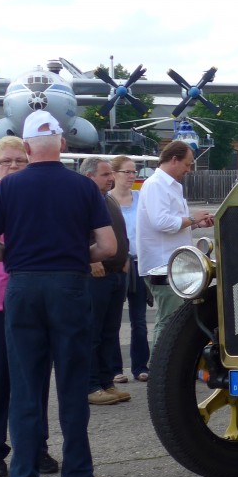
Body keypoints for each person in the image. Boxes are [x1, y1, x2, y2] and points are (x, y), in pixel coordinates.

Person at [0, 111, 116, 477]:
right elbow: (107, 247)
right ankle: (78, 476)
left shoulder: (6, 189)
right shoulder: (83, 188)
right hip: (70, 286)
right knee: (72, 382)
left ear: (25, 147)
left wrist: (21, 259)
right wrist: (74, 255)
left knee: (25, 384)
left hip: (22, 287)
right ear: (62, 145)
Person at [0, 138, 58, 477]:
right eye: (5, 161)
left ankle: (36, 447)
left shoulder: (41, 201)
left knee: (36, 379)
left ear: (30, 163)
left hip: (36, 300)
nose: (12, 167)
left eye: (19, 161)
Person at [136, 141, 213, 347]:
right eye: (187, 165)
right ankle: (158, 371)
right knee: (169, 321)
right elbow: (161, 223)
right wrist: (193, 218)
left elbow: (170, 225)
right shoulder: (155, 185)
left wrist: (194, 224)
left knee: (174, 320)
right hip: (161, 265)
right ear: (174, 160)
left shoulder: (167, 185)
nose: (188, 170)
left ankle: (162, 370)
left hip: (171, 264)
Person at [80, 158, 131, 406]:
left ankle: (107, 382)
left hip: (116, 275)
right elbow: (74, 234)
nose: (111, 178)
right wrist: (89, 260)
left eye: (111, 173)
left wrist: (125, 258)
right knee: (93, 332)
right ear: (89, 176)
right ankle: (90, 386)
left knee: (110, 332)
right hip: (96, 277)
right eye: (105, 174)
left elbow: (119, 233)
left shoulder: (108, 199)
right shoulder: (81, 200)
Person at [109, 155, 150, 382]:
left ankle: (140, 366)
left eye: (135, 172)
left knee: (140, 319)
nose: (132, 176)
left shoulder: (141, 198)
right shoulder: (107, 201)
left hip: (139, 262)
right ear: (114, 174)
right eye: (127, 172)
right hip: (116, 264)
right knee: (113, 320)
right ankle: (115, 369)